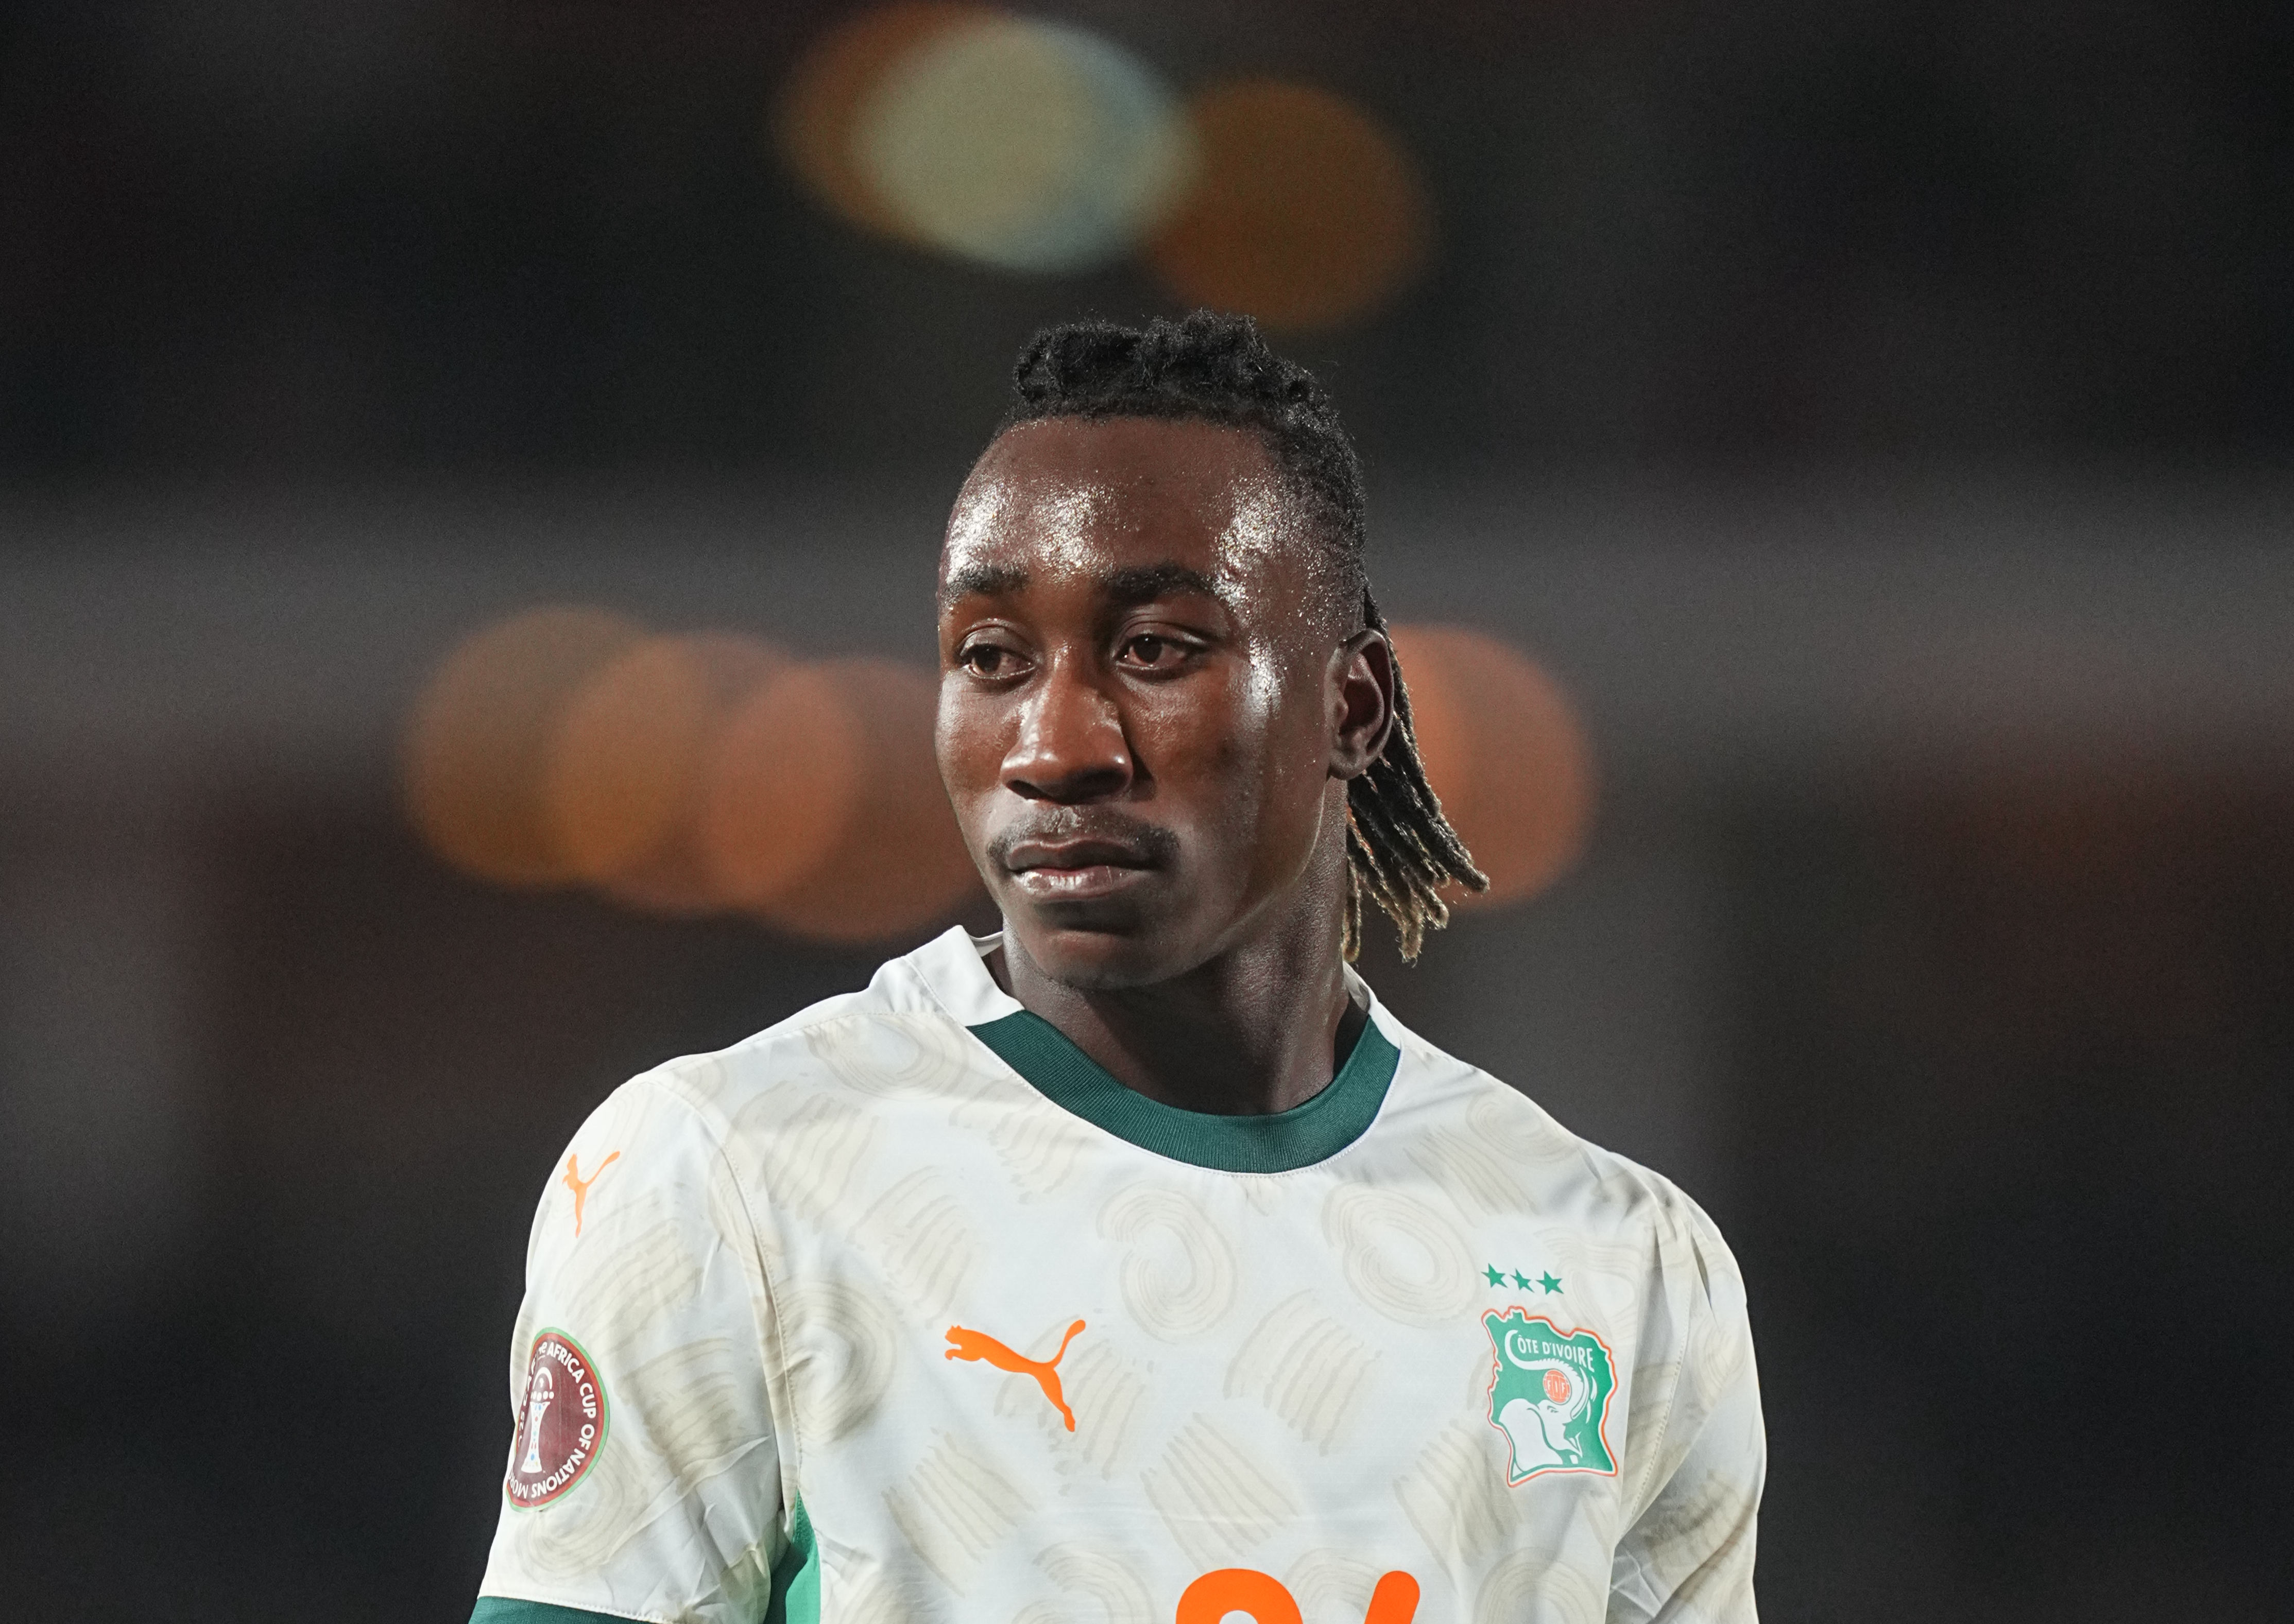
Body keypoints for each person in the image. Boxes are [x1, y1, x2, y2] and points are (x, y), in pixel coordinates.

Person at [469, 312, 1764, 1624]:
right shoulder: (729, 1174)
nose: (1055, 746)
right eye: (991, 657)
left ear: (1352, 706)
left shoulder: (1620, 1264)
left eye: (1154, 649)